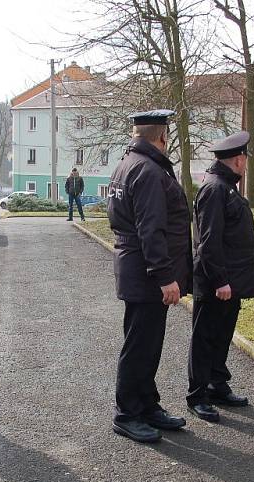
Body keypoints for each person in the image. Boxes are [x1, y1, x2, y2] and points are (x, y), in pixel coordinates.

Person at [107, 110, 192, 443]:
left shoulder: (129, 164)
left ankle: (146, 405)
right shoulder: (147, 170)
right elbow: (151, 228)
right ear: (162, 137)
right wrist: (164, 276)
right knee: (139, 345)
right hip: (146, 272)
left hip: (137, 269)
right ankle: (127, 413)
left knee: (147, 342)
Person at [187, 132, 254, 422]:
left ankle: (217, 383)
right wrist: (220, 281)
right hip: (217, 283)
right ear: (239, 160)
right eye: (245, 160)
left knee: (221, 335)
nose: (245, 165)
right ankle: (197, 395)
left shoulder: (226, 187)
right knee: (205, 338)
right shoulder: (215, 189)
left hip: (231, 282)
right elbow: (208, 241)